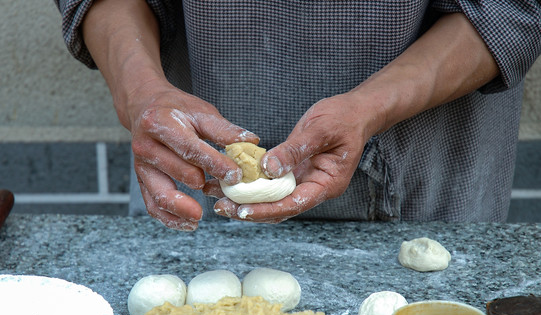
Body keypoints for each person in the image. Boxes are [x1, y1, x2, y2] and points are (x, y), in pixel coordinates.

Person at [54, 0, 541, 230]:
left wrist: (369, 109)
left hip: (425, 183)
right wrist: (142, 92)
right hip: (192, 181)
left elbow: (511, 9)